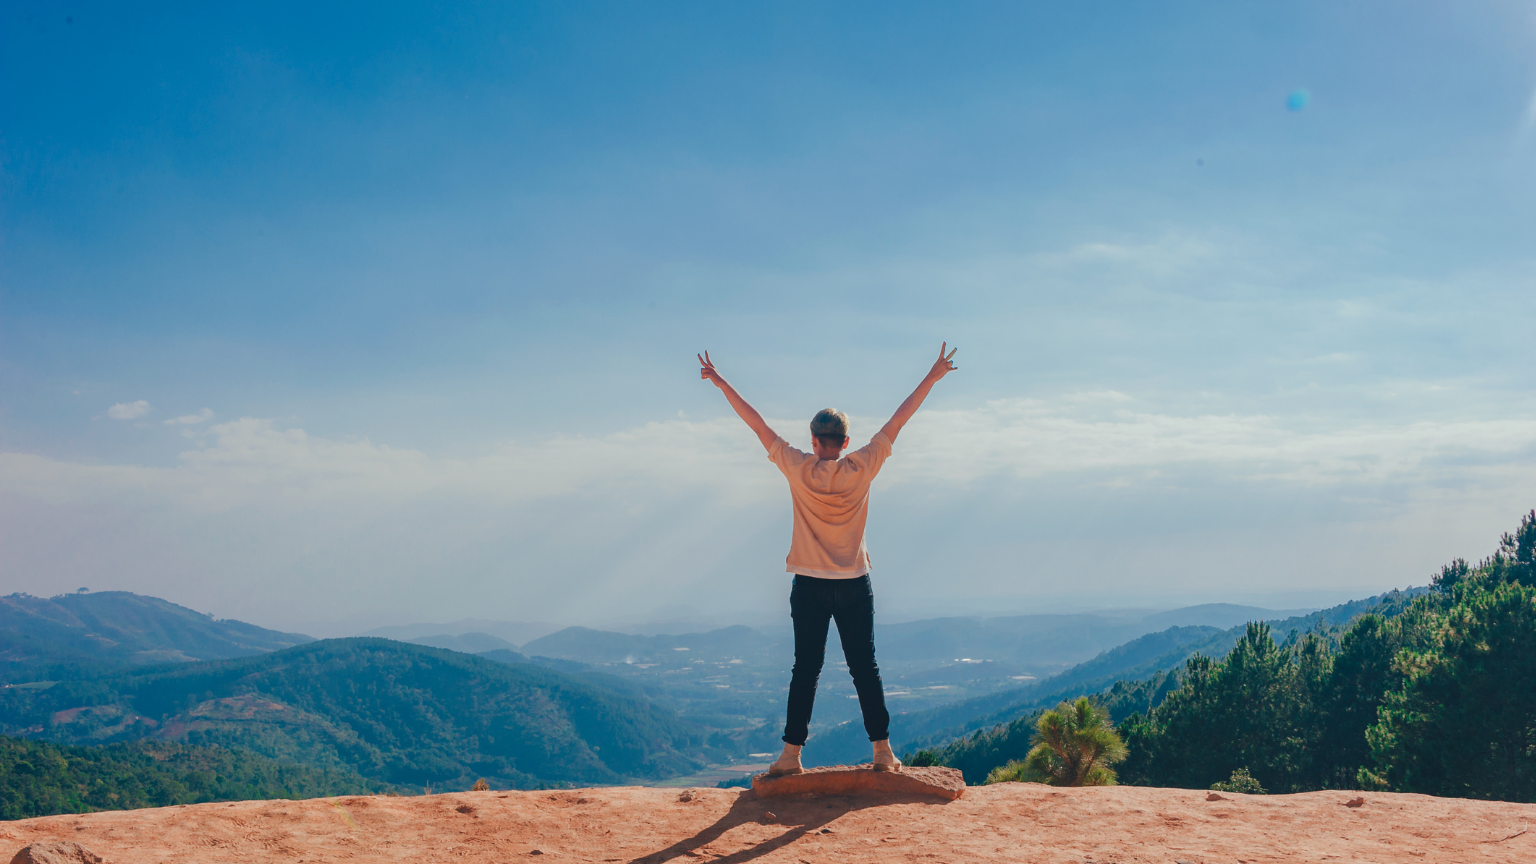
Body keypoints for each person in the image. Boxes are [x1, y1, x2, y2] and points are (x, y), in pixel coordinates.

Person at [697, 343, 959, 775]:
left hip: (809, 584)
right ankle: (882, 752)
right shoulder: (863, 466)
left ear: (814, 441)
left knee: (806, 670)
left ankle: (791, 756)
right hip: (854, 581)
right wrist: (932, 376)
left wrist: (722, 382)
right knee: (865, 668)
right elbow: (899, 420)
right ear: (846, 442)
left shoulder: (798, 467)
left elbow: (757, 424)